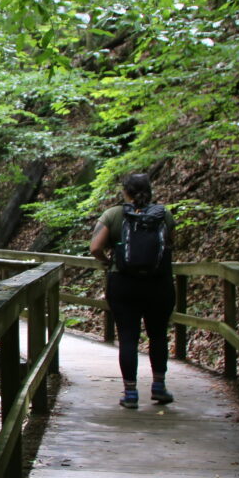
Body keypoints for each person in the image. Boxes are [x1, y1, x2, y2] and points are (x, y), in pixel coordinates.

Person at [89, 173, 176, 409]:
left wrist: (108, 260)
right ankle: (159, 386)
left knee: (128, 337)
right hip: (159, 284)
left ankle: (130, 394)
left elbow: (95, 247)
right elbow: (171, 244)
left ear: (124, 192)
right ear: (150, 191)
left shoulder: (113, 214)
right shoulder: (164, 214)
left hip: (123, 283)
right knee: (158, 335)